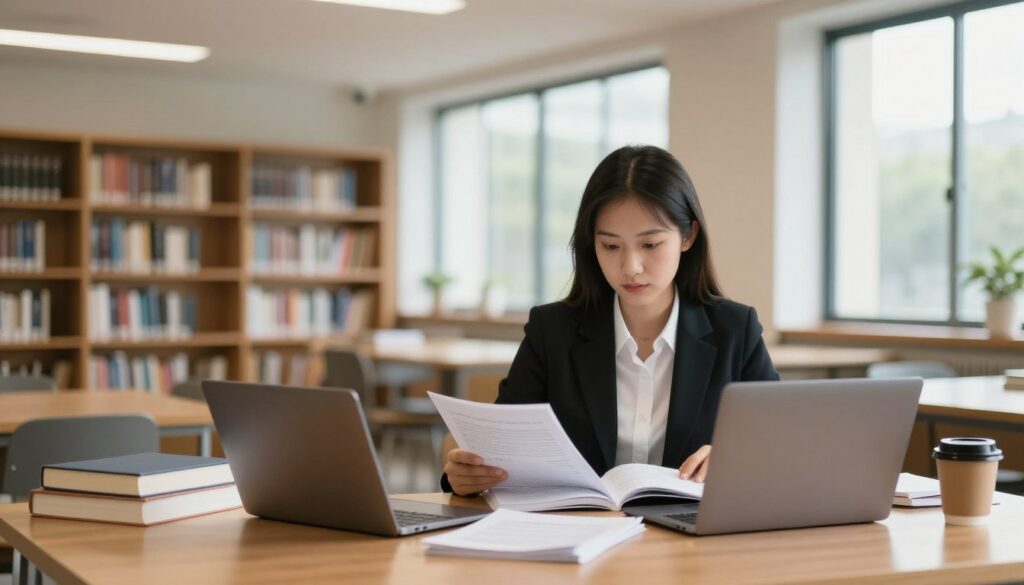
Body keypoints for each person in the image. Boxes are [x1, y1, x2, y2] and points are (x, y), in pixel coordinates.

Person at [442, 145, 779, 496]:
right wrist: (465, 473)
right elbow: (498, 446)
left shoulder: (735, 330)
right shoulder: (552, 331)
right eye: (611, 246)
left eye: (650, 244)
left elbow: (780, 440)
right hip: (580, 533)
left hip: (691, 537)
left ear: (688, 236)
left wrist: (734, 456)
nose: (631, 266)